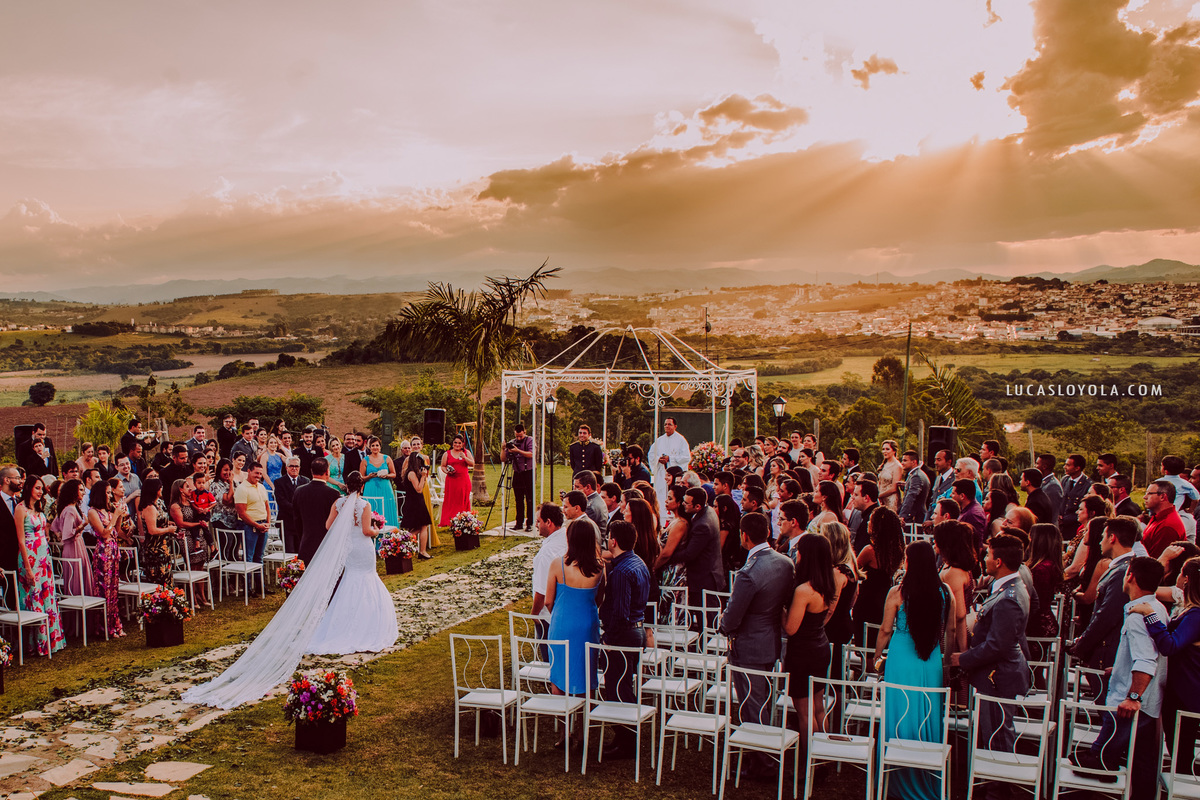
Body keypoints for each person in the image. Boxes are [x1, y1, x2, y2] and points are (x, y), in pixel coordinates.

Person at [185, 470, 399, 709]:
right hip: (362, 548)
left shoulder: (339, 502)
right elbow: (367, 531)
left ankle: (342, 623)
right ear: (361, 487)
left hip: (349, 549)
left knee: (350, 581)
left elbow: (329, 526)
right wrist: (378, 528)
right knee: (366, 581)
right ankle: (364, 624)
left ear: (346, 486)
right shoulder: (364, 504)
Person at [1071, 557, 1166, 798]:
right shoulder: (1157, 608)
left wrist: (1133, 696)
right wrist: (1121, 667)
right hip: (1145, 703)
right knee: (1140, 766)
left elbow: (1146, 660)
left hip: (1129, 705)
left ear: (1130, 576)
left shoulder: (1137, 616)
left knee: (1100, 761)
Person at [874, 541, 956, 800]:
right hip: (930, 660)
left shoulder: (897, 592)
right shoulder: (945, 592)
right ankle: (925, 773)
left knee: (899, 712)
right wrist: (944, 661)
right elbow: (951, 630)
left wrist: (877, 656)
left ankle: (896, 775)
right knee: (927, 713)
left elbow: (886, 630)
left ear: (909, 563)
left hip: (901, 659)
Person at [952, 533, 1030, 762]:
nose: (983, 558)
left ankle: (998, 789)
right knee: (991, 732)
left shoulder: (1009, 597)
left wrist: (963, 659)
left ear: (999, 562)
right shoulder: (1006, 588)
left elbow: (997, 645)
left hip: (999, 677)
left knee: (997, 735)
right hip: (995, 674)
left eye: (987, 554)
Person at [1132, 555, 1200, 774]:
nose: (1177, 577)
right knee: (1179, 751)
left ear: (1187, 579)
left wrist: (1151, 615)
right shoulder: (1190, 610)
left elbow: (1170, 646)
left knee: (1181, 755)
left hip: (1186, 694)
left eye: (1180, 573)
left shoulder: (1197, 615)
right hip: (1180, 692)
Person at [597, 519, 652, 759]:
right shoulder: (638, 562)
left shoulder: (620, 571)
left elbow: (620, 612)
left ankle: (626, 739)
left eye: (609, 537)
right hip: (636, 630)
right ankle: (625, 737)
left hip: (624, 633)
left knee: (617, 687)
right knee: (623, 683)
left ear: (613, 541)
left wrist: (608, 638)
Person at [783, 533, 836, 735]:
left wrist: (780, 609)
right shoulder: (827, 583)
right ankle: (823, 757)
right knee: (819, 707)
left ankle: (809, 761)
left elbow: (790, 628)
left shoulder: (804, 590)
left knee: (805, 713)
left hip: (803, 653)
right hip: (820, 647)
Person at [545, 518, 604, 696]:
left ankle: (561, 716)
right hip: (588, 621)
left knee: (559, 668)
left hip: (562, 621)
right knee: (586, 666)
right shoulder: (600, 566)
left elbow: (548, 600)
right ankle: (584, 713)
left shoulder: (558, 564)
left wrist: (558, 612)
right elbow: (600, 598)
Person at [14, 476, 65, 656]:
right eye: (37, 488)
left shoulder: (39, 508)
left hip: (44, 556)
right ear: (29, 488)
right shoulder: (20, 509)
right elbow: (20, 539)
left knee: (47, 595)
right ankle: (36, 643)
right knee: (33, 596)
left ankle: (51, 640)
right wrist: (27, 567)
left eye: (42, 488)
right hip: (30, 555)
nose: (40, 491)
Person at [854, 506, 905, 645]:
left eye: (870, 520)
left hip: (867, 602)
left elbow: (853, 572)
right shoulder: (896, 552)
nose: (867, 523)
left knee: (865, 644)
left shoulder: (870, 551)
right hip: (884, 600)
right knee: (876, 642)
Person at [666, 487, 723, 609]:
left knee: (706, 616)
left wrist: (668, 557)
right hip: (707, 574)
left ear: (697, 506)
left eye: (686, 503)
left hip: (703, 578)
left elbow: (690, 554)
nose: (683, 504)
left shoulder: (703, 525)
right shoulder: (707, 511)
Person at [933, 520, 977, 663]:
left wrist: (963, 653)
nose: (934, 542)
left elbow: (958, 615)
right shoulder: (953, 567)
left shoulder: (954, 572)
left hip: (951, 636)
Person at [87, 480, 126, 637]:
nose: (110, 495)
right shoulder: (93, 512)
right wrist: (115, 516)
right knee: (104, 589)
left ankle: (115, 625)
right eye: (108, 492)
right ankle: (103, 627)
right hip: (103, 553)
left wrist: (119, 516)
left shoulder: (109, 510)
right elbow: (104, 533)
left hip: (114, 551)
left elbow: (116, 530)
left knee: (114, 590)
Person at [52, 479, 96, 606]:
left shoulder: (65, 508)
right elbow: (67, 534)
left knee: (76, 578)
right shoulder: (70, 509)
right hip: (74, 547)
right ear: (73, 491)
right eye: (80, 490)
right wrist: (83, 525)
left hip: (73, 546)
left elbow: (55, 526)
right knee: (77, 579)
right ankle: (80, 612)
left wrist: (59, 535)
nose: (83, 492)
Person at [170, 477, 212, 607]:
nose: (190, 489)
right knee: (192, 566)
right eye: (187, 487)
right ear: (180, 490)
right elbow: (180, 523)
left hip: (198, 534)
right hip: (186, 536)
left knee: (200, 565)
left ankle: (202, 594)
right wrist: (197, 524)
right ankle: (192, 596)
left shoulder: (192, 501)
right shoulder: (176, 506)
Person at [293, 458, 343, 567]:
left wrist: (303, 536)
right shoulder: (333, 494)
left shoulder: (299, 491)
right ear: (327, 472)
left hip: (306, 543)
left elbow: (297, 520)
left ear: (312, 472)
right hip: (327, 546)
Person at [530, 503, 569, 633]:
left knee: (547, 652)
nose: (536, 525)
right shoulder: (567, 537)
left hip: (547, 616)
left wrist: (534, 614)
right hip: (565, 609)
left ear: (548, 522)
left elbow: (541, 590)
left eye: (538, 521)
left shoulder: (547, 552)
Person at [233, 465, 271, 595]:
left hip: (262, 524)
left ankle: (260, 586)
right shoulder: (242, 489)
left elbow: (267, 506)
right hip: (249, 526)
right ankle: (248, 588)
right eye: (256, 473)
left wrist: (268, 522)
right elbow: (242, 513)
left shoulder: (261, 486)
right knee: (248, 557)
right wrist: (256, 524)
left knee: (259, 557)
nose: (258, 476)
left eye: (260, 474)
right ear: (248, 471)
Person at [648, 417, 690, 522]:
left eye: (669, 424)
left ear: (675, 426)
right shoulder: (659, 440)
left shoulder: (681, 440)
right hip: (662, 473)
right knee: (661, 496)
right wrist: (659, 459)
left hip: (674, 474)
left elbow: (686, 457)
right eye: (665, 424)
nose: (667, 426)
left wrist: (670, 459)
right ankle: (661, 519)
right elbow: (651, 455)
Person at [1026, 523, 1064, 639]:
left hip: (1037, 624)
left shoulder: (1041, 569)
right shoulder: (1050, 565)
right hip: (1043, 620)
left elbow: (1036, 601)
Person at [137, 478, 177, 589]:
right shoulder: (150, 508)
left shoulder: (157, 505)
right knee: (159, 577)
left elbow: (157, 521)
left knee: (166, 575)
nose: (161, 489)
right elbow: (152, 530)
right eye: (160, 487)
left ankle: (168, 600)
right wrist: (168, 530)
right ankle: (161, 601)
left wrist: (167, 523)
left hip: (163, 546)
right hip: (155, 549)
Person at [397, 449, 433, 559]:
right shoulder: (411, 473)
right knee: (423, 526)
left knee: (420, 526)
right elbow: (418, 489)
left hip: (415, 501)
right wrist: (423, 476)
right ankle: (421, 550)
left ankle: (403, 543)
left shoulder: (411, 472)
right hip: (416, 502)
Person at [502, 423, 535, 531]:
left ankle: (530, 522)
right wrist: (503, 449)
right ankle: (519, 522)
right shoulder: (512, 442)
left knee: (529, 499)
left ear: (525, 432)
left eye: (520, 436)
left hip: (528, 472)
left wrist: (518, 451)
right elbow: (503, 459)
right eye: (517, 436)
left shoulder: (529, 440)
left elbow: (531, 454)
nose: (519, 438)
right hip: (517, 473)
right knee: (518, 499)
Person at [0, 467, 24, 609]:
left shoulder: (20, 502)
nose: (20, 481)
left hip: (20, 556)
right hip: (4, 558)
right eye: (16, 478)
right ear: (6, 480)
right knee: (10, 599)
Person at [1143, 480, 1186, 558]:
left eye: (1149, 493)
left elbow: (1155, 563)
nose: (1145, 497)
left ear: (1163, 497)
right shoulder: (1158, 517)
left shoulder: (1167, 526)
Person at [274, 457, 308, 554]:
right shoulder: (279, 482)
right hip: (287, 523)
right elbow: (282, 501)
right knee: (290, 553)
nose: (294, 468)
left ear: (300, 467)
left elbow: (306, 500)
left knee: (301, 552)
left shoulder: (305, 481)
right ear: (286, 467)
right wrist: (298, 510)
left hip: (301, 524)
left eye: (296, 466)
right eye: (291, 466)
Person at [439, 433, 473, 526]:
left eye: (459, 443)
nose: (457, 445)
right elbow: (443, 466)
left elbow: (472, 463)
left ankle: (463, 519)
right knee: (451, 500)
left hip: (463, 480)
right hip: (452, 480)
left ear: (462, 444)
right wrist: (447, 471)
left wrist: (464, 457)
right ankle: (450, 520)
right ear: (452, 443)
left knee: (463, 500)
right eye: (455, 442)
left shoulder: (466, 452)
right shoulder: (447, 453)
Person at [898, 449, 931, 525]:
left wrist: (902, 515)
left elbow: (911, 497)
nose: (902, 463)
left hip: (915, 517)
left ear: (914, 462)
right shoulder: (914, 474)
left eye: (905, 460)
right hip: (914, 515)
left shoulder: (916, 476)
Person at [877, 440, 903, 512]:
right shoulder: (885, 464)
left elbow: (894, 488)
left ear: (894, 451)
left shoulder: (897, 466)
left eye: (887, 449)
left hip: (891, 498)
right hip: (881, 497)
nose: (885, 451)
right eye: (883, 449)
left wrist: (880, 495)